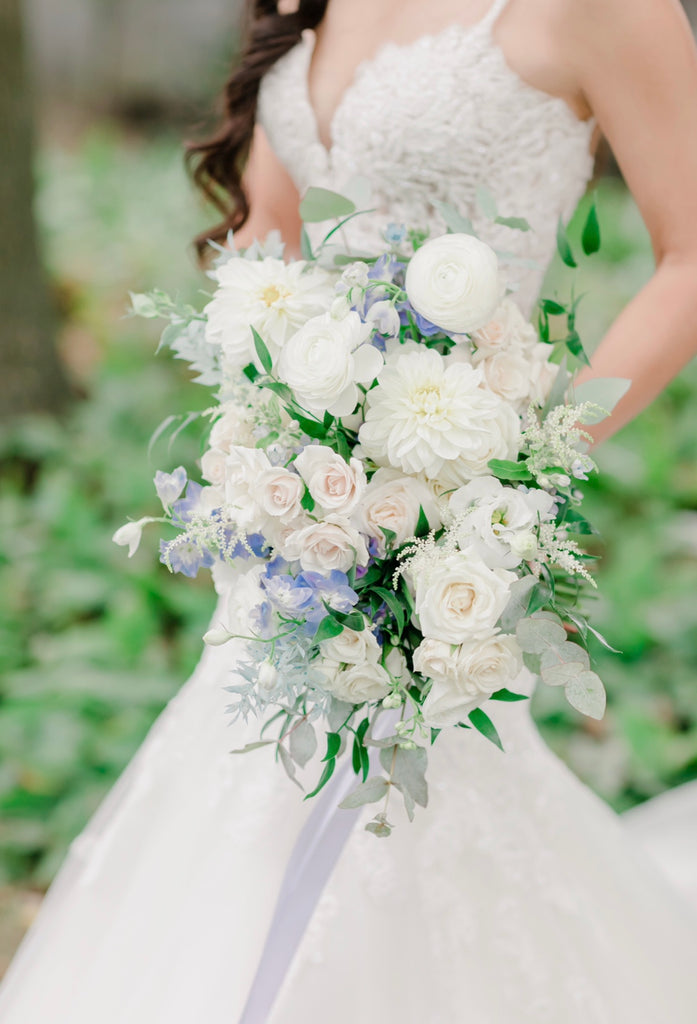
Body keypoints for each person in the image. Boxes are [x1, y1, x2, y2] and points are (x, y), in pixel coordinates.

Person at [1, 0, 697, 1020]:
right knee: (242, 796)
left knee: (423, 797)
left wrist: (519, 459)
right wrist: (270, 444)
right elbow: (270, 241)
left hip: (456, 488)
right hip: (298, 513)